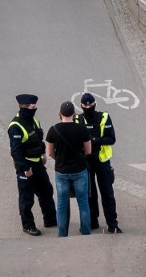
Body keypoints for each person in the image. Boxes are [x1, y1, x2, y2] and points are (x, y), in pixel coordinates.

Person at [8, 94, 57, 236]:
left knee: (46, 191)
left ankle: (50, 220)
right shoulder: (15, 126)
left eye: (35, 107)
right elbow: (15, 152)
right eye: (32, 107)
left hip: (38, 164)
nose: (34, 109)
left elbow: (38, 139)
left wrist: (42, 154)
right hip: (26, 166)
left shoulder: (33, 120)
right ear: (23, 107)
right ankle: (28, 225)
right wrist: (25, 169)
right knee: (26, 199)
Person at [75, 93, 122, 233]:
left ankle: (112, 224)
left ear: (95, 104)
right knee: (90, 194)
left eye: (90, 105)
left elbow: (111, 139)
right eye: (85, 105)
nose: (88, 107)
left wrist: (95, 141)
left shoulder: (104, 117)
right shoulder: (77, 120)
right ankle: (93, 221)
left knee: (107, 194)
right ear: (81, 106)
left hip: (102, 162)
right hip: (86, 163)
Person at [45, 101, 92, 237]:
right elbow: (88, 151)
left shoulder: (53, 130)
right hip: (79, 170)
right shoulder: (81, 129)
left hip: (62, 172)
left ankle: (62, 234)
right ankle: (86, 232)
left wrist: (59, 159)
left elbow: (50, 152)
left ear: (60, 113)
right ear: (74, 113)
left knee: (61, 204)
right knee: (83, 203)